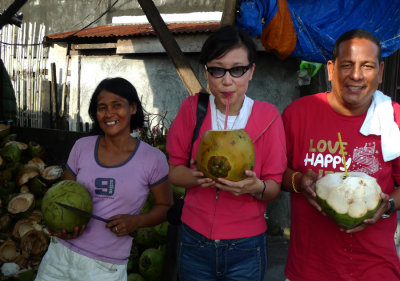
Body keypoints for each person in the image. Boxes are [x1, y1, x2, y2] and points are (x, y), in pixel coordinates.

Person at [166, 25, 287, 281]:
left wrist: (255, 187)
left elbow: (274, 187)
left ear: (251, 71)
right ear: (205, 71)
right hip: (194, 239)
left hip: (246, 245)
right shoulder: (193, 110)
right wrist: (199, 177)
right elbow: (174, 172)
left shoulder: (268, 118)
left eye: (238, 69)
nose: (227, 80)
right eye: (217, 69)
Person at [282, 29, 400, 281]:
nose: (356, 75)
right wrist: (299, 182)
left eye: (367, 66)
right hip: (308, 268)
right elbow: (274, 174)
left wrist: (388, 205)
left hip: (374, 269)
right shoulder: (298, 114)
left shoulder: (394, 119)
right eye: (347, 65)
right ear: (331, 69)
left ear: (380, 72)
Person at [36, 77, 172, 281]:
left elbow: (165, 206)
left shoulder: (153, 159)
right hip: (59, 257)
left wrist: (137, 221)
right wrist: (61, 228)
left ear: (133, 108)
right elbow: (64, 197)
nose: (109, 113)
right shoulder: (82, 147)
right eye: (102, 107)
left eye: (117, 105)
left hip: (105, 267)